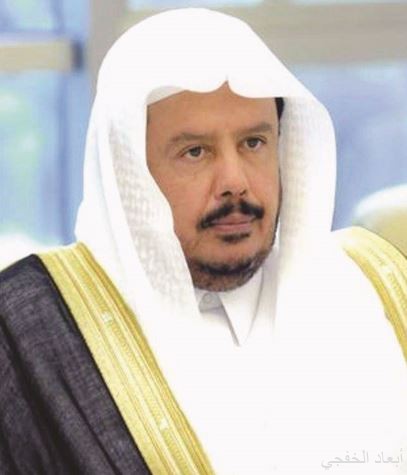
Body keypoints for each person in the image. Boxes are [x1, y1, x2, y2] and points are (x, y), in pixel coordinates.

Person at [1, 8, 406, 475]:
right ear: (129, 176)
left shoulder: (376, 286)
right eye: (195, 152)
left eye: (253, 143)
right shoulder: (30, 333)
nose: (234, 182)